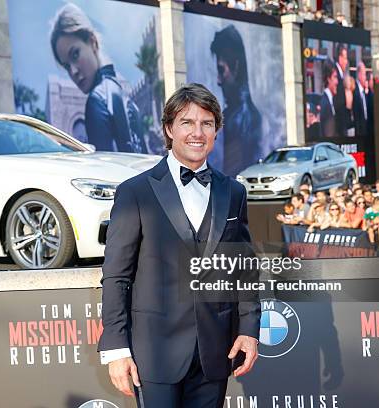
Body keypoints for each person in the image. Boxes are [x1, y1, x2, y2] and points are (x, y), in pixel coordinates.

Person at [99, 83, 260, 407]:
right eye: (187, 122)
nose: (197, 133)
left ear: (216, 131)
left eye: (207, 123)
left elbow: (242, 268)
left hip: (215, 350)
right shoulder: (136, 192)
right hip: (154, 353)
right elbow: (117, 275)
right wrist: (116, 348)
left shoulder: (233, 192)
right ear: (169, 129)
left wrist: (248, 328)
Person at [50, 4, 147, 154]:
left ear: (92, 42)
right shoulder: (121, 94)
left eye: (75, 54)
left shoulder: (97, 100)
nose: (73, 71)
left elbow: (104, 171)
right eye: (66, 66)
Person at [210, 25, 262, 176]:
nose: (218, 81)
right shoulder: (241, 114)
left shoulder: (240, 118)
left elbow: (232, 177)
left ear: (237, 67)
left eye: (221, 70)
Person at [334, 44, 352, 137]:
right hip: (338, 128)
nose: (346, 62)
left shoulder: (341, 75)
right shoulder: (335, 74)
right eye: (345, 58)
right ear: (340, 58)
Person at [320, 59, 338, 138]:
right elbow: (329, 137)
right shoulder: (326, 104)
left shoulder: (329, 101)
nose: (337, 81)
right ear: (328, 79)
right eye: (335, 77)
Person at [352, 62, 369, 137]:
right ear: (359, 74)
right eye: (364, 74)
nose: (365, 77)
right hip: (359, 131)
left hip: (366, 128)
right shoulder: (354, 90)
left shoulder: (365, 91)